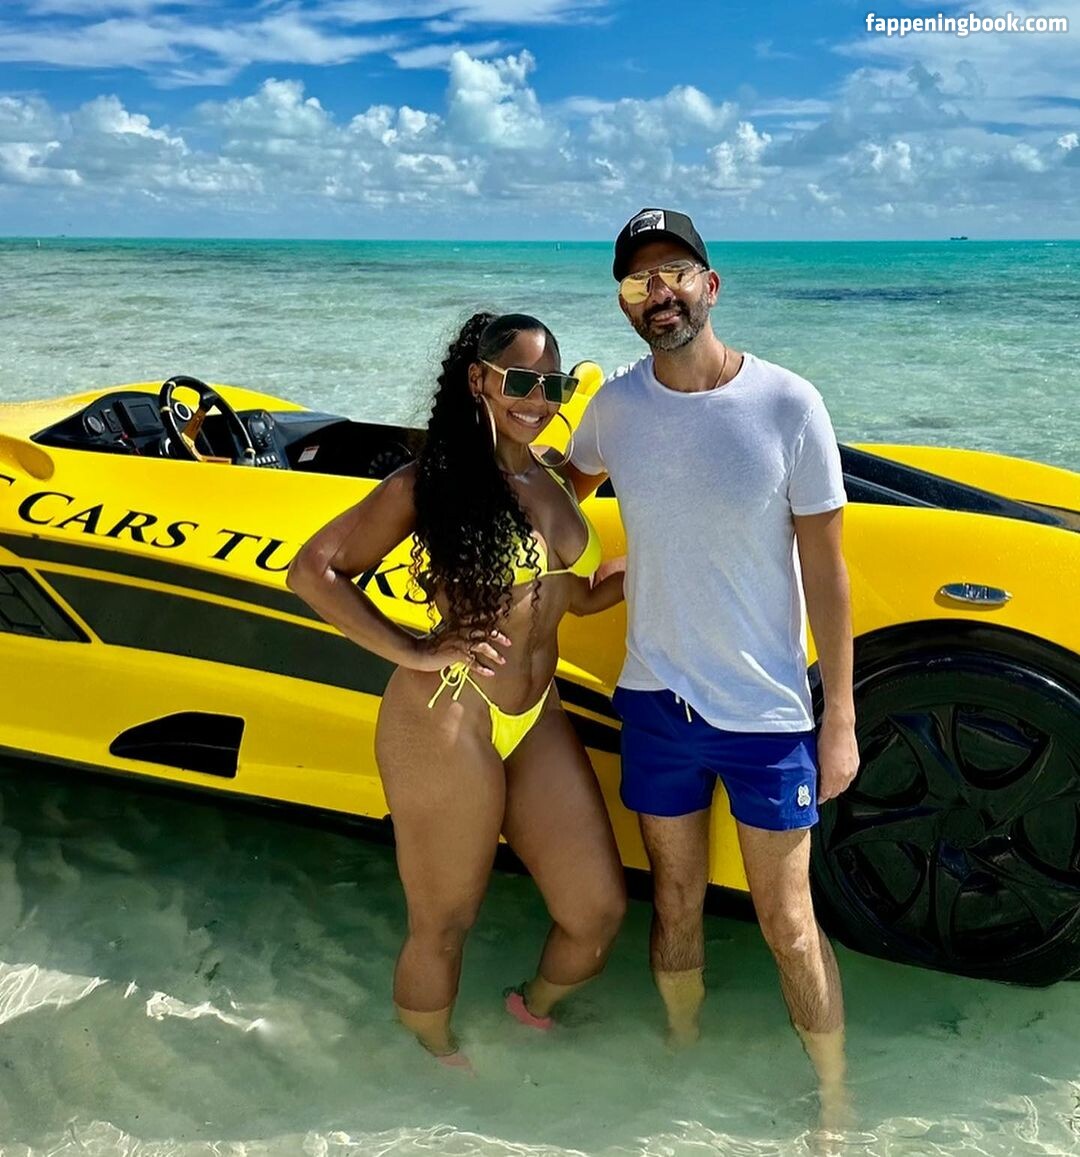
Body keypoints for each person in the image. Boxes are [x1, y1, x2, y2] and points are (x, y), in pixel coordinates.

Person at [565, 209, 859, 1123]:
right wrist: (582, 577)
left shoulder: (788, 404)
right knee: (677, 900)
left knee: (790, 924)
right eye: (638, 281)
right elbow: (559, 496)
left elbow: (827, 570)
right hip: (656, 699)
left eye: (675, 273)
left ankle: (836, 1102)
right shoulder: (615, 408)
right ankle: (681, 1058)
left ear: (711, 285)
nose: (658, 293)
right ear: (624, 304)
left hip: (768, 713)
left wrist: (841, 717)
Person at [287, 312, 627, 1068]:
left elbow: (563, 593)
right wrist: (413, 649)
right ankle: (428, 1061)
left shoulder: (550, 476)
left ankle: (530, 1009)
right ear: (479, 379)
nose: (538, 399)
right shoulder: (430, 482)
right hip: (448, 718)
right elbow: (313, 570)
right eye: (521, 380)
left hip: (535, 716)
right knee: (443, 923)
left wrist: (640, 574)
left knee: (596, 911)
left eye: (553, 385)